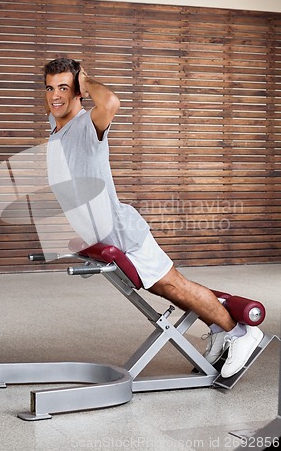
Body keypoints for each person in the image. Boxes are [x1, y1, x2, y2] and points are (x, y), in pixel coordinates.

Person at [44, 57, 263, 379]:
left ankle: (241, 333)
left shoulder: (88, 122)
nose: (55, 96)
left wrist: (85, 80)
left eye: (64, 87)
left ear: (77, 91)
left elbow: (111, 101)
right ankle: (219, 328)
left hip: (120, 230)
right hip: (100, 231)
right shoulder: (57, 126)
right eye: (50, 88)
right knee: (165, 289)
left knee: (174, 285)